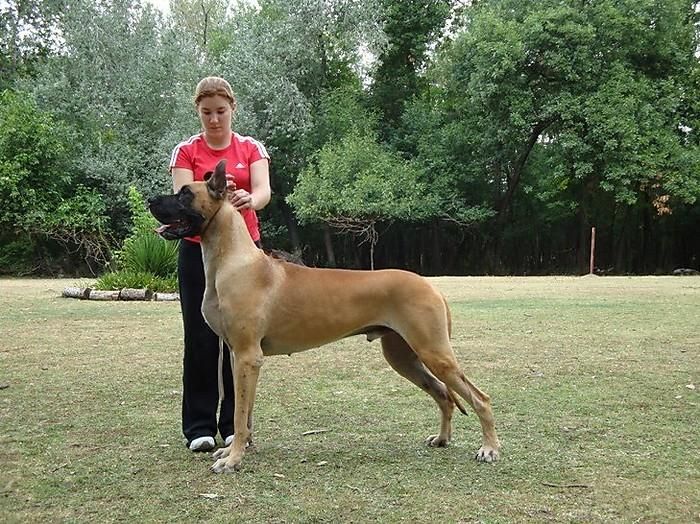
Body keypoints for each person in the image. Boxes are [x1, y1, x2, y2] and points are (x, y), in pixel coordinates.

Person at [169, 76, 271, 451]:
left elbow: (263, 190)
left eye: (221, 111)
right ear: (198, 111)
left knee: (240, 340)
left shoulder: (250, 148)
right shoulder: (186, 151)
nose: (214, 119)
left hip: (245, 255)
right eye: (206, 112)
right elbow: (184, 198)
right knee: (199, 337)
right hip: (199, 253)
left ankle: (233, 426)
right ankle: (199, 426)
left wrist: (249, 199)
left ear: (232, 109)